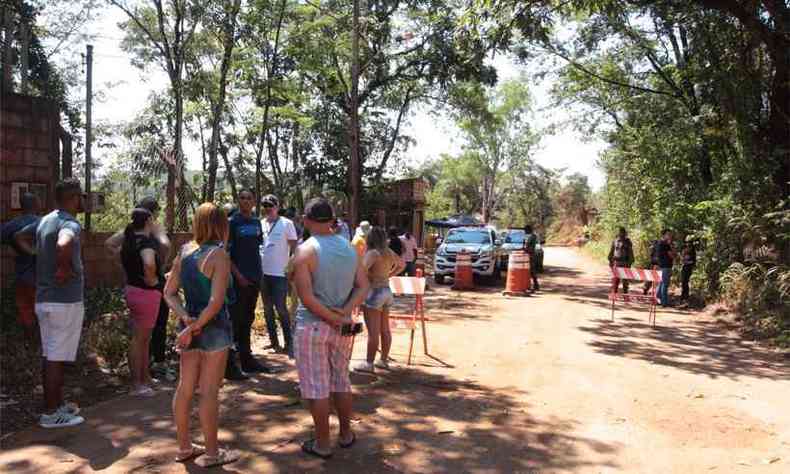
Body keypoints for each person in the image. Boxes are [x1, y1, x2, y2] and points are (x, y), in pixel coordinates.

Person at [292, 198, 370, 459]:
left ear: (307, 219)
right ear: (333, 220)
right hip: (342, 326)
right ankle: (346, 434)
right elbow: (363, 286)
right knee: (341, 380)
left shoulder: (305, 251)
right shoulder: (349, 248)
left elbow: (307, 298)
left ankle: (323, 444)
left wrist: (331, 317)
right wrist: (344, 311)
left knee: (317, 387)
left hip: (313, 327)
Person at [164, 203, 240, 468]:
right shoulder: (219, 255)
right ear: (221, 225)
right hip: (213, 329)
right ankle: (212, 453)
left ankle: (185, 447)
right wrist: (192, 327)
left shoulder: (184, 251)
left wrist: (186, 319)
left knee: (185, 387)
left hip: (190, 328)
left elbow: (168, 292)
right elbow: (216, 302)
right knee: (208, 392)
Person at [14, 179, 86, 428]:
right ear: (74, 198)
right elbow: (64, 242)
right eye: (80, 197)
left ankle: (57, 403)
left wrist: (36, 255)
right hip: (63, 302)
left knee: (52, 354)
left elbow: (19, 236)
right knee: (56, 357)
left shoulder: (44, 220)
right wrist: (64, 268)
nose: (82, 202)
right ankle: (51, 413)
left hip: (45, 299)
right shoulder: (69, 223)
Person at [106, 197, 174, 381]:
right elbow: (166, 246)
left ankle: (145, 372)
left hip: (134, 284)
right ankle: (152, 368)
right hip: (150, 285)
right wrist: (159, 268)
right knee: (153, 328)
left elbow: (110, 244)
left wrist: (125, 265)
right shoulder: (148, 229)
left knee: (143, 332)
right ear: (151, 214)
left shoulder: (130, 230)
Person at [226, 189, 269, 379]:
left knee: (248, 319)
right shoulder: (232, 223)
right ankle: (231, 365)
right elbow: (226, 254)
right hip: (238, 280)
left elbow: (257, 248)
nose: (245, 201)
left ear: (254, 201)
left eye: (248, 198)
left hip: (254, 277)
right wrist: (238, 276)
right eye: (241, 198)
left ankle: (247, 359)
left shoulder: (256, 222)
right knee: (236, 320)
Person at [119, 208, 162, 397]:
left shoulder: (128, 240)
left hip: (132, 290)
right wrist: (152, 279)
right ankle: (137, 384)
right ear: (148, 221)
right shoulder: (145, 242)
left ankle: (144, 379)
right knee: (140, 340)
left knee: (143, 339)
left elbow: (109, 246)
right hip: (146, 294)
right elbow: (149, 263)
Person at [354, 227, 405, 374]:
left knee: (373, 332)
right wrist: (389, 274)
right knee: (385, 329)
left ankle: (369, 363)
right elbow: (402, 264)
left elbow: (361, 270)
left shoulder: (372, 253)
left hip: (374, 292)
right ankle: (383, 360)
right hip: (387, 291)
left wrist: (368, 278)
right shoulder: (388, 252)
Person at [260, 194, 298, 356]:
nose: (268, 208)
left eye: (271, 205)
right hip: (262, 273)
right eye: (265, 205)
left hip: (279, 274)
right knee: (267, 309)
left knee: (281, 308)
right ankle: (274, 342)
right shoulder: (260, 223)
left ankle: (289, 343)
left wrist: (291, 268)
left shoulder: (287, 224)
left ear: (277, 206)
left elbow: (295, 249)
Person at [1, 192, 41, 343]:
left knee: (25, 310)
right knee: (42, 311)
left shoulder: (12, 225)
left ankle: (30, 341)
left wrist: (13, 247)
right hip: (41, 277)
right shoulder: (44, 222)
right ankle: (42, 345)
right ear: (36, 205)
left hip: (22, 276)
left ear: (21, 206)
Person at [607, 227, 635, 293]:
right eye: (620, 232)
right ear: (619, 233)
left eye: (623, 233)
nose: (621, 234)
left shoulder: (628, 242)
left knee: (625, 280)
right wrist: (610, 261)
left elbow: (631, 253)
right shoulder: (615, 241)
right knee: (616, 279)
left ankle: (625, 293)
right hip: (616, 262)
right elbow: (611, 251)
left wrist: (630, 263)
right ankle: (615, 292)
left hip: (625, 262)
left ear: (625, 233)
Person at [655, 229, 675, 307]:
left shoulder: (659, 243)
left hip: (661, 265)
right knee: (665, 284)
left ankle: (657, 298)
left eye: (670, 234)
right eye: (668, 234)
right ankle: (664, 302)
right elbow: (671, 255)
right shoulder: (665, 244)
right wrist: (674, 254)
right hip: (666, 266)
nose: (670, 236)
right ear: (663, 235)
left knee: (661, 283)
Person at [523, 225, 540, 291]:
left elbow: (529, 247)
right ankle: (533, 285)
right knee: (530, 271)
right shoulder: (531, 236)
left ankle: (535, 285)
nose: (525, 232)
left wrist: (525, 249)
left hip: (531, 255)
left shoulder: (532, 236)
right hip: (529, 254)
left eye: (525, 230)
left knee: (532, 271)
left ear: (528, 230)